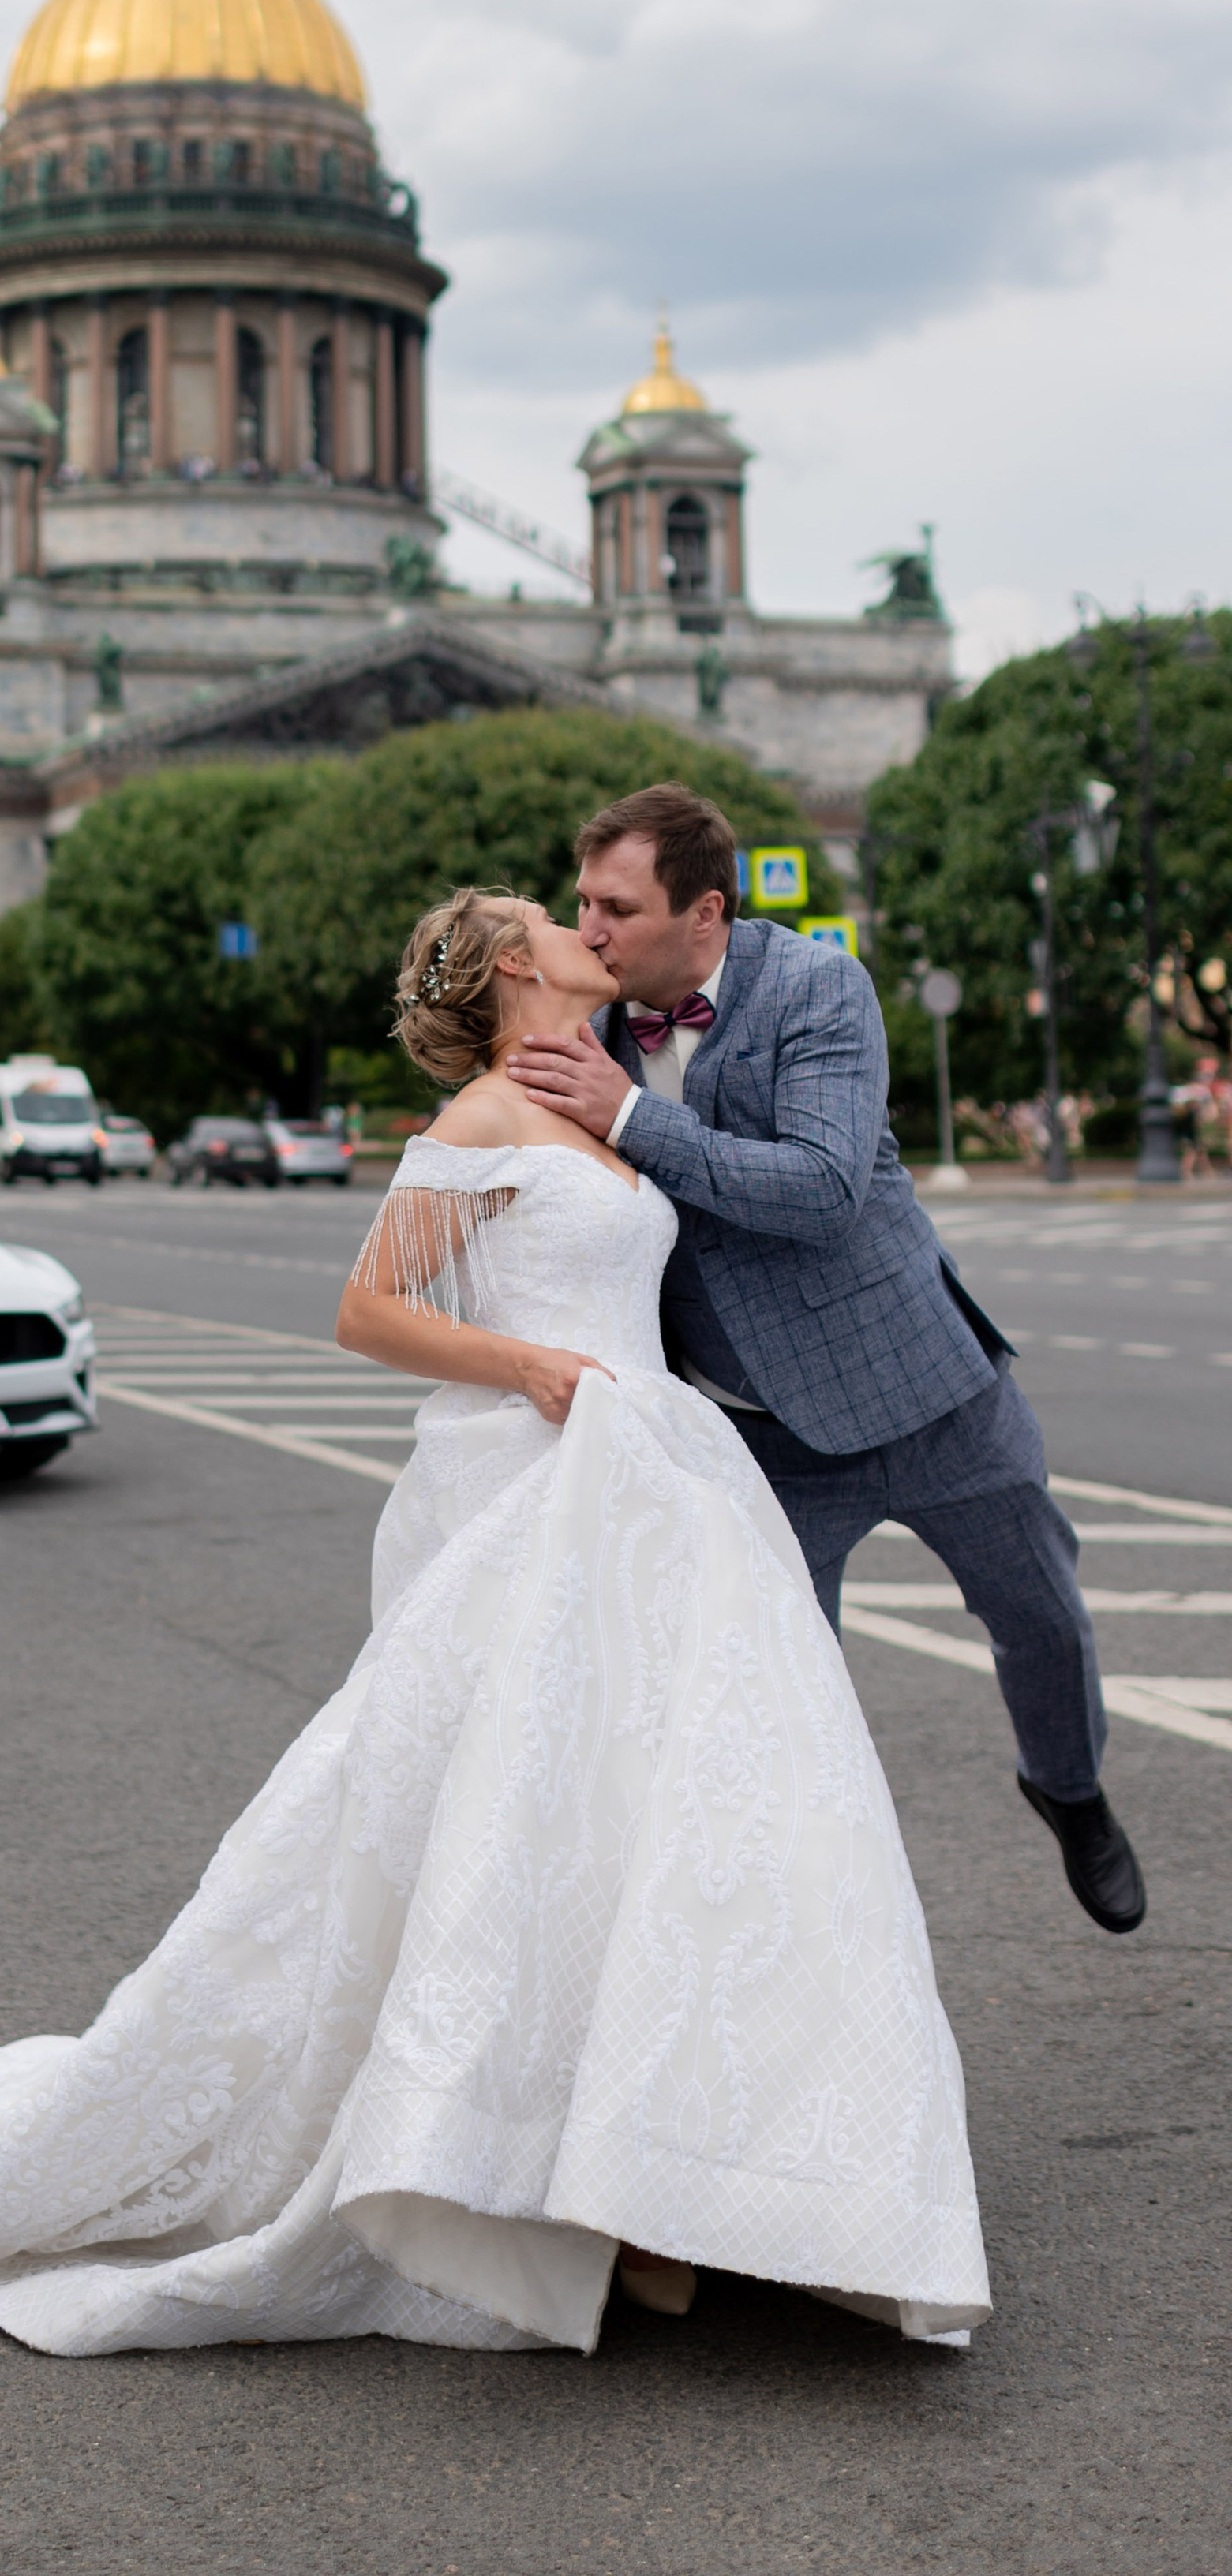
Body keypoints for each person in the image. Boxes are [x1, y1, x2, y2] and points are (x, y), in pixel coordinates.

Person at [0, 884, 990, 2355]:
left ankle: (659, 2188)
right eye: (548, 921)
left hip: (648, 1490)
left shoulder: (593, 1101)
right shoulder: (472, 1127)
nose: (577, 927)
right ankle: (547, 2188)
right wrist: (522, 1371)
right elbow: (367, 1311)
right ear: (508, 971)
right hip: (542, 1491)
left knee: (667, 1829)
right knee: (521, 1831)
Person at [507, 782, 1144, 1939]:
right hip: (761, 1430)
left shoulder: (816, 984)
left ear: (704, 913)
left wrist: (637, 1120)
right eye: (582, 901)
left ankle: (1071, 1786)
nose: (588, 928)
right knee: (779, 1695)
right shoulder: (581, 1034)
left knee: (1042, 1615)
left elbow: (823, 1185)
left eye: (616, 905)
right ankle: (799, 1926)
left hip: (928, 1385)